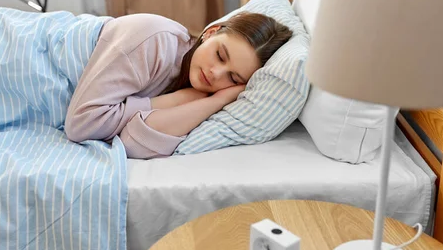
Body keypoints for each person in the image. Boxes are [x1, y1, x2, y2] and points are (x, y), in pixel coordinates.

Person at [65, 12, 292, 158]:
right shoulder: (155, 41)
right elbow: (81, 126)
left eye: (233, 79)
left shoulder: (200, 93)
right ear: (211, 33)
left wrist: (217, 101)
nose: (215, 73)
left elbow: (132, 144)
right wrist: (173, 100)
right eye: (220, 55)